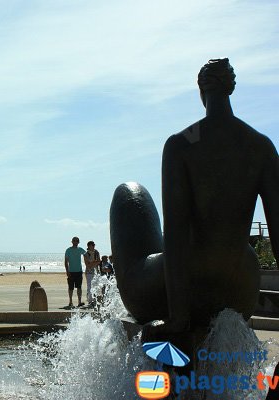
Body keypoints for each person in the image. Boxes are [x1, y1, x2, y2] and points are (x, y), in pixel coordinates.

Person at [111, 58, 279, 339]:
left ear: (202, 90)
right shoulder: (260, 145)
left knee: (128, 195)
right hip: (239, 291)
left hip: (184, 290)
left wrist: (179, 318)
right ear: (230, 89)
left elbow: (176, 235)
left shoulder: (182, 143)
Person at [64, 236, 86, 308]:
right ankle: (70, 302)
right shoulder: (68, 250)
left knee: (79, 287)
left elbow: (87, 254)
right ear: (72, 241)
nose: (75, 242)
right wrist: (67, 271)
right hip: (71, 272)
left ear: (78, 242)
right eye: (74, 240)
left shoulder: (80, 249)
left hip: (79, 271)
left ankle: (79, 302)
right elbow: (66, 262)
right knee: (71, 288)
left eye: (77, 241)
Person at [83, 241, 100, 306]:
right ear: (88, 246)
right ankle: (90, 301)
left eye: (94, 245)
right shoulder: (85, 254)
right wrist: (94, 263)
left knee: (96, 286)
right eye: (92, 245)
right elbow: (87, 265)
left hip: (96, 271)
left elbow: (98, 261)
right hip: (89, 272)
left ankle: (95, 300)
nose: (93, 246)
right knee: (89, 286)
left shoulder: (96, 252)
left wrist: (92, 263)